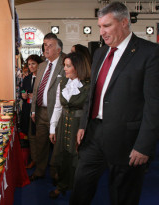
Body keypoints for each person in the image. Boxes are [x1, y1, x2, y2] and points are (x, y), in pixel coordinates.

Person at [70, 2, 159, 205]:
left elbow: (154, 105)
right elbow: (93, 93)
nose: (102, 32)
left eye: (107, 26)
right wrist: (84, 125)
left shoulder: (149, 53)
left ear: (124, 22)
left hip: (127, 140)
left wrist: (144, 145)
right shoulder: (99, 54)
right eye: (100, 26)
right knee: (80, 190)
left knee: (123, 196)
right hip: (94, 135)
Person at [48, 52, 90, 198]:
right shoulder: (63, 83)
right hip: (63, 124)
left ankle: (79, 190)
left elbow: (89, 111)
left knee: (78, 158)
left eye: (68, 66)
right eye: (64, 65)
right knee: (62, 157)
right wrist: (52, 128)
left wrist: (84, 128)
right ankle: (62, 185)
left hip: (79, 126)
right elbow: (58, 107)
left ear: (78, 67)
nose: (64, 69)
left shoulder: (88, 86)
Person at [29, 33, 65, 181]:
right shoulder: (42, 65)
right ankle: (39, 171)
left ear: (59, 49)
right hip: (40, 112)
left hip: (57, 113)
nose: (46, 48)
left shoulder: (64, 65)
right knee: (40, 143)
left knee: (57, 145)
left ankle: (56, 173)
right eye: (45, 45)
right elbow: (36, 89)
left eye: (50, 46)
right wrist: (32, 109)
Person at [20, 54, 43, 169]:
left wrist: (36, 96)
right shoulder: (27, 78)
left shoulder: (43, 78)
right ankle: (34, 159)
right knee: (30, 135)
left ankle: (39, 159)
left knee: (38, 136)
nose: (31, 66)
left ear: (39, 64)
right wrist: (23, 95)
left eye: (33, 64)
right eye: (29, 64)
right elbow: (22, 90)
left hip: (39, 111)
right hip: (27, 109)